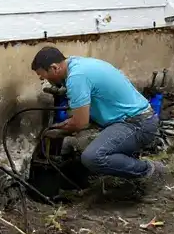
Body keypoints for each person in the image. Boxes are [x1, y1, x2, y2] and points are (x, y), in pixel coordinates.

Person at [30, 46, 166, 187]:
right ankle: (123, 165)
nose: (42, 79)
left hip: (137, 124)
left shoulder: (77, 78)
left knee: (92, 157)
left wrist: (60, 130)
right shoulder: (77, 64)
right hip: (131, 119)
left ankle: (149, 170)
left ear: (54, 68)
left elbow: (80, 123)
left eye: (42, 75)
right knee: (82, 144)